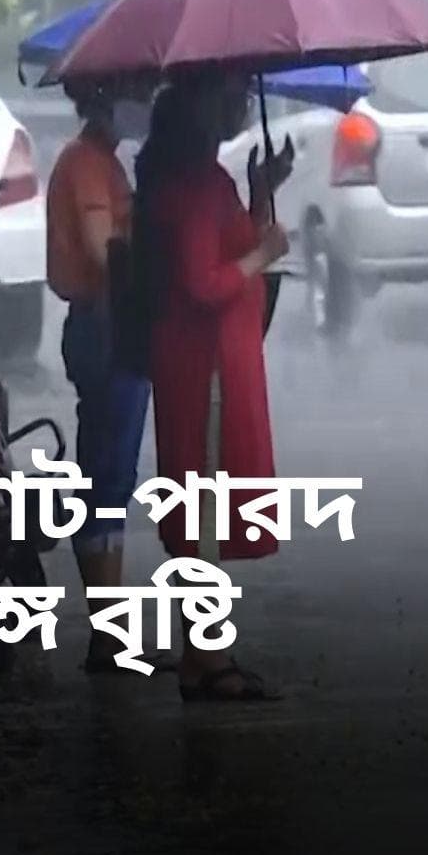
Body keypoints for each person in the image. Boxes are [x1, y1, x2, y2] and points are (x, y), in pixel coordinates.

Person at [130, 74, 291, 701]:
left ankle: (202, 650)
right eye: (232, 99)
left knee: (200, 497)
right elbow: (205, 282)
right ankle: (209, 653)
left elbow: (235, 244)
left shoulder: (203, 179)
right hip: (208, 367)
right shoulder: (194, 188)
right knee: (204, 499)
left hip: (205, 359)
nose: (242, 108)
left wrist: (259, 192)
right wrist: (261, 258)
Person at [45, 79, 153, 673]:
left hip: (106, 325)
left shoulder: (101, 162)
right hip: (106, 325)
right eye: (139, 94)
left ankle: (110, 632)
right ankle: (109, 634)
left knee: (108, 478)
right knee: (107, 482)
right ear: (109, 100)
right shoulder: (87, 164)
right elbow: (101, 249)